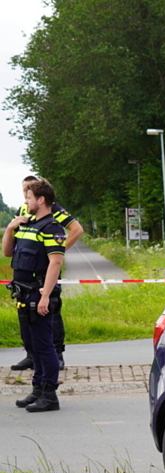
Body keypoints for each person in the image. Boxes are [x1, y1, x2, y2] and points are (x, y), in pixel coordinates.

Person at [3, 178, 66, 412]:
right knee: (32, 346)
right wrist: (10, 228)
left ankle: (49, 395)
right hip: (23, 294)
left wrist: (45, 296)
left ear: (40, 200)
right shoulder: (28, 224)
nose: (25, 201)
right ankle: (37, 388)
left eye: (28, 197)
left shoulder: (51, 228)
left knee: (44, 346)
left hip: (38, 295)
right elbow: (8, 251)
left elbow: (55, 263)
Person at [9, 175, 83, 371]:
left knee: (51, 313)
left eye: (29, 192)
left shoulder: (54, 211)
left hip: (43, 275)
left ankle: (57, 353)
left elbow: (77, 230)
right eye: (24, 191)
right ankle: (31, 355)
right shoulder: (23, 210)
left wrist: (55, 252)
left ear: (39, 197)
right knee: (26, 316)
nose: (25, 196)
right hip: (24, 278)